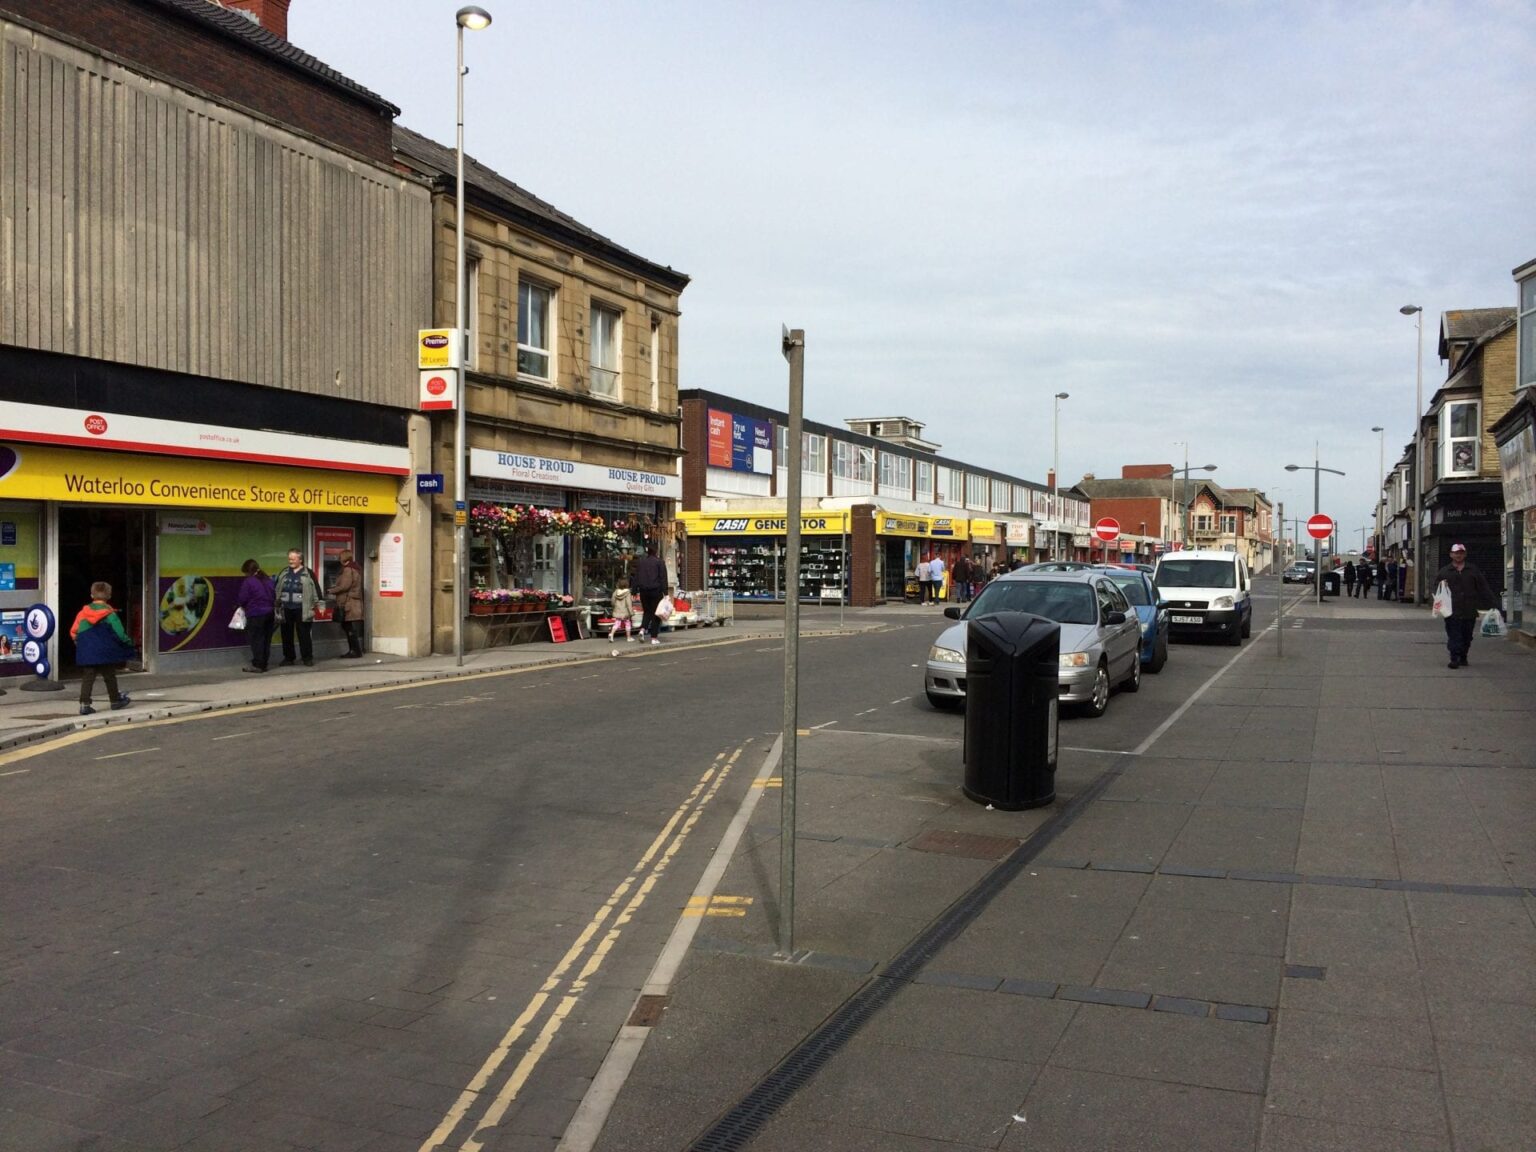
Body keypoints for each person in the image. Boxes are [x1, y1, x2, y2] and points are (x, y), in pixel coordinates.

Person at [70, 581, 136, 716]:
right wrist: (128, 643)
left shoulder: (83, 613)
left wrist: (79, 643)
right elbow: (120, 634)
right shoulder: (110, 614)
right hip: (106, 651)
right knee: (110, 676)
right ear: (109, 596)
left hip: (88, 651)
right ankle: (115, 700)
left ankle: (84, 705)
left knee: (88, 677)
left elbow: (74, 631)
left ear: (91, 595)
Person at [1434, 543, 1495, 668]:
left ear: (1465, 554)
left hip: (1469, 609)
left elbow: (1483, 588)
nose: (1458, 555)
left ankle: (1463, 655)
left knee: (1467, 635)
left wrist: (1493, 604)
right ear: (1451, 554)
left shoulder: (1472, 570)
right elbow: (1436, 589)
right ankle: (1454, 658)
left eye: (1461, 553)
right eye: (1456, 553)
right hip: (1452, 610)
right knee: (1454, 634)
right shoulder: (1445, 571)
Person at [274, 548, 321, 667]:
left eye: (293, 559)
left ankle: (307, 658)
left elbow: (316, 590)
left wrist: (320, 604)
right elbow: (276, 588)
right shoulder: (284, 572)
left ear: (300, 560)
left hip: (302, 608)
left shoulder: (308, 573)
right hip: (286, 608)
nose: (290, 561)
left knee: (304, 634)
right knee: (286, 634)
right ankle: (289, 658)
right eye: (289, 558)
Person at [236, 558, 276, 672]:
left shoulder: (249, 581)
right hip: (270, 613)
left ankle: (258, 664)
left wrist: (240, 605)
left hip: (256, 614)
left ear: (247, 571)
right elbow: (274, 595)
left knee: (256, 639)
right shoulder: (268, 580)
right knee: (266, 640)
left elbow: (242, 598)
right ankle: (264, 663)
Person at [327, 550, 365, 659]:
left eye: (340, 557)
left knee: (348, 627)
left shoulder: (348, 570)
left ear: (344, 559)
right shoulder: (356, 568)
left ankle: (354, 651)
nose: (338, 559)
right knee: (349, 627)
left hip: (349, 603)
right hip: (352, 601)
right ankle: (355, 650)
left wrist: (331, 590)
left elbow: (344, 586)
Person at [632, 544, 668, 644]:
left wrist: (634, 591)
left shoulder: (641, 562)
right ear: (656, 551)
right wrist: (666, 593)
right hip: (656, 591)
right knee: (656, 614)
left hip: (643, 591)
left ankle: (642, 629)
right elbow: (663, 578)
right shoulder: (660, 562)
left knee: (647, 612)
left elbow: (636, 577)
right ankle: (654, 637)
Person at [609, 577, 635, 642]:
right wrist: (631, 612)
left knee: (617, 623)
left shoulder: (615, 592)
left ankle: (611, 634)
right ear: (627, 584)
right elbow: (629, 603)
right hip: (625, 612)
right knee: (627, 623)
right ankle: (628, 637)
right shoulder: (627, 593)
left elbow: (612, 601)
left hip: (617, 610)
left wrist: (614, 606)